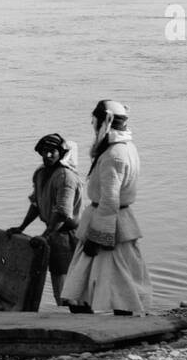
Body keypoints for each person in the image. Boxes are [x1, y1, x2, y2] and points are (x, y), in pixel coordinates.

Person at [61, 100, 153, 315]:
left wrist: (98, 237)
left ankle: (117, 321)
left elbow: (110, 199)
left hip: (109, 223)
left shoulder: (114, 155)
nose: (93, 127)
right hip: (116, 220)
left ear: (104, 123)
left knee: (107, 277)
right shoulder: (126, 148)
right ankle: (119, 317)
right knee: (119, 277)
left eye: (95, 122)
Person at [7, 133, 83, 305]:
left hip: (68, 236)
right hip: (55, 234)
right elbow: (36, 204)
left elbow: (63, 213)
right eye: (44, 151)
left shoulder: (65, 177)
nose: (47, 156)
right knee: (61, 287)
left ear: (61, 153)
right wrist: (22, 227)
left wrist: (46, 236)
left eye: (52, 152)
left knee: (69, 290)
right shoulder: (41, 173)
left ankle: (80, 320)